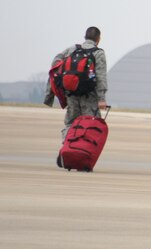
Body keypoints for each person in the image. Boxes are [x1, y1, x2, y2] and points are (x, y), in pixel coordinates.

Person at [45, 27, 108, 158]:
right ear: (98, 39)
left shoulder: (72, 49)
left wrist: (51, 93)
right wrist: (101, 98)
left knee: (70, 123)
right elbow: (101, 76)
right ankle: (83, 154)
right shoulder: (98, 53)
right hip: (89, 97)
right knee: (89, 125)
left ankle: (66, 149)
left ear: (85, 37)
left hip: (71, 94)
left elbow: (55, 63)